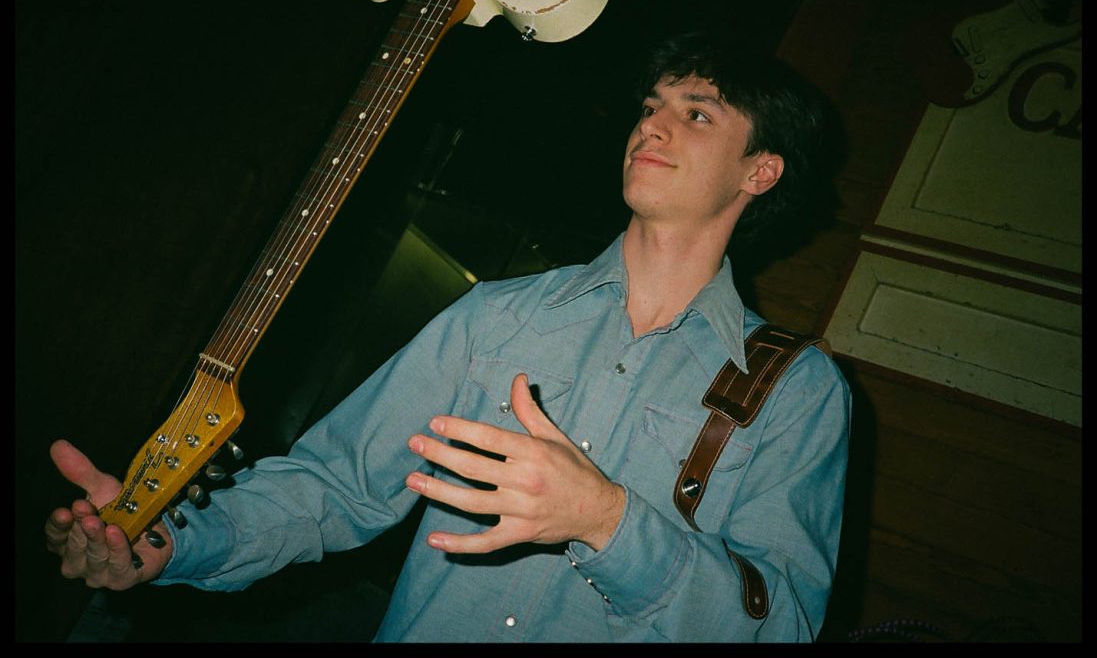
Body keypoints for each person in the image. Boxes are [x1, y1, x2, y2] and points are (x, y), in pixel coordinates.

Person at [46, 33, 850, 643]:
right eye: (650, 107)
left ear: (760, 172)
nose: (653, 126)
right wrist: (166, 540)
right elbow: (337, 485)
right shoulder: (494, 315)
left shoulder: (796, 390)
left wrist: (605, 519)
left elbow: (778, 623)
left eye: (695, 114)